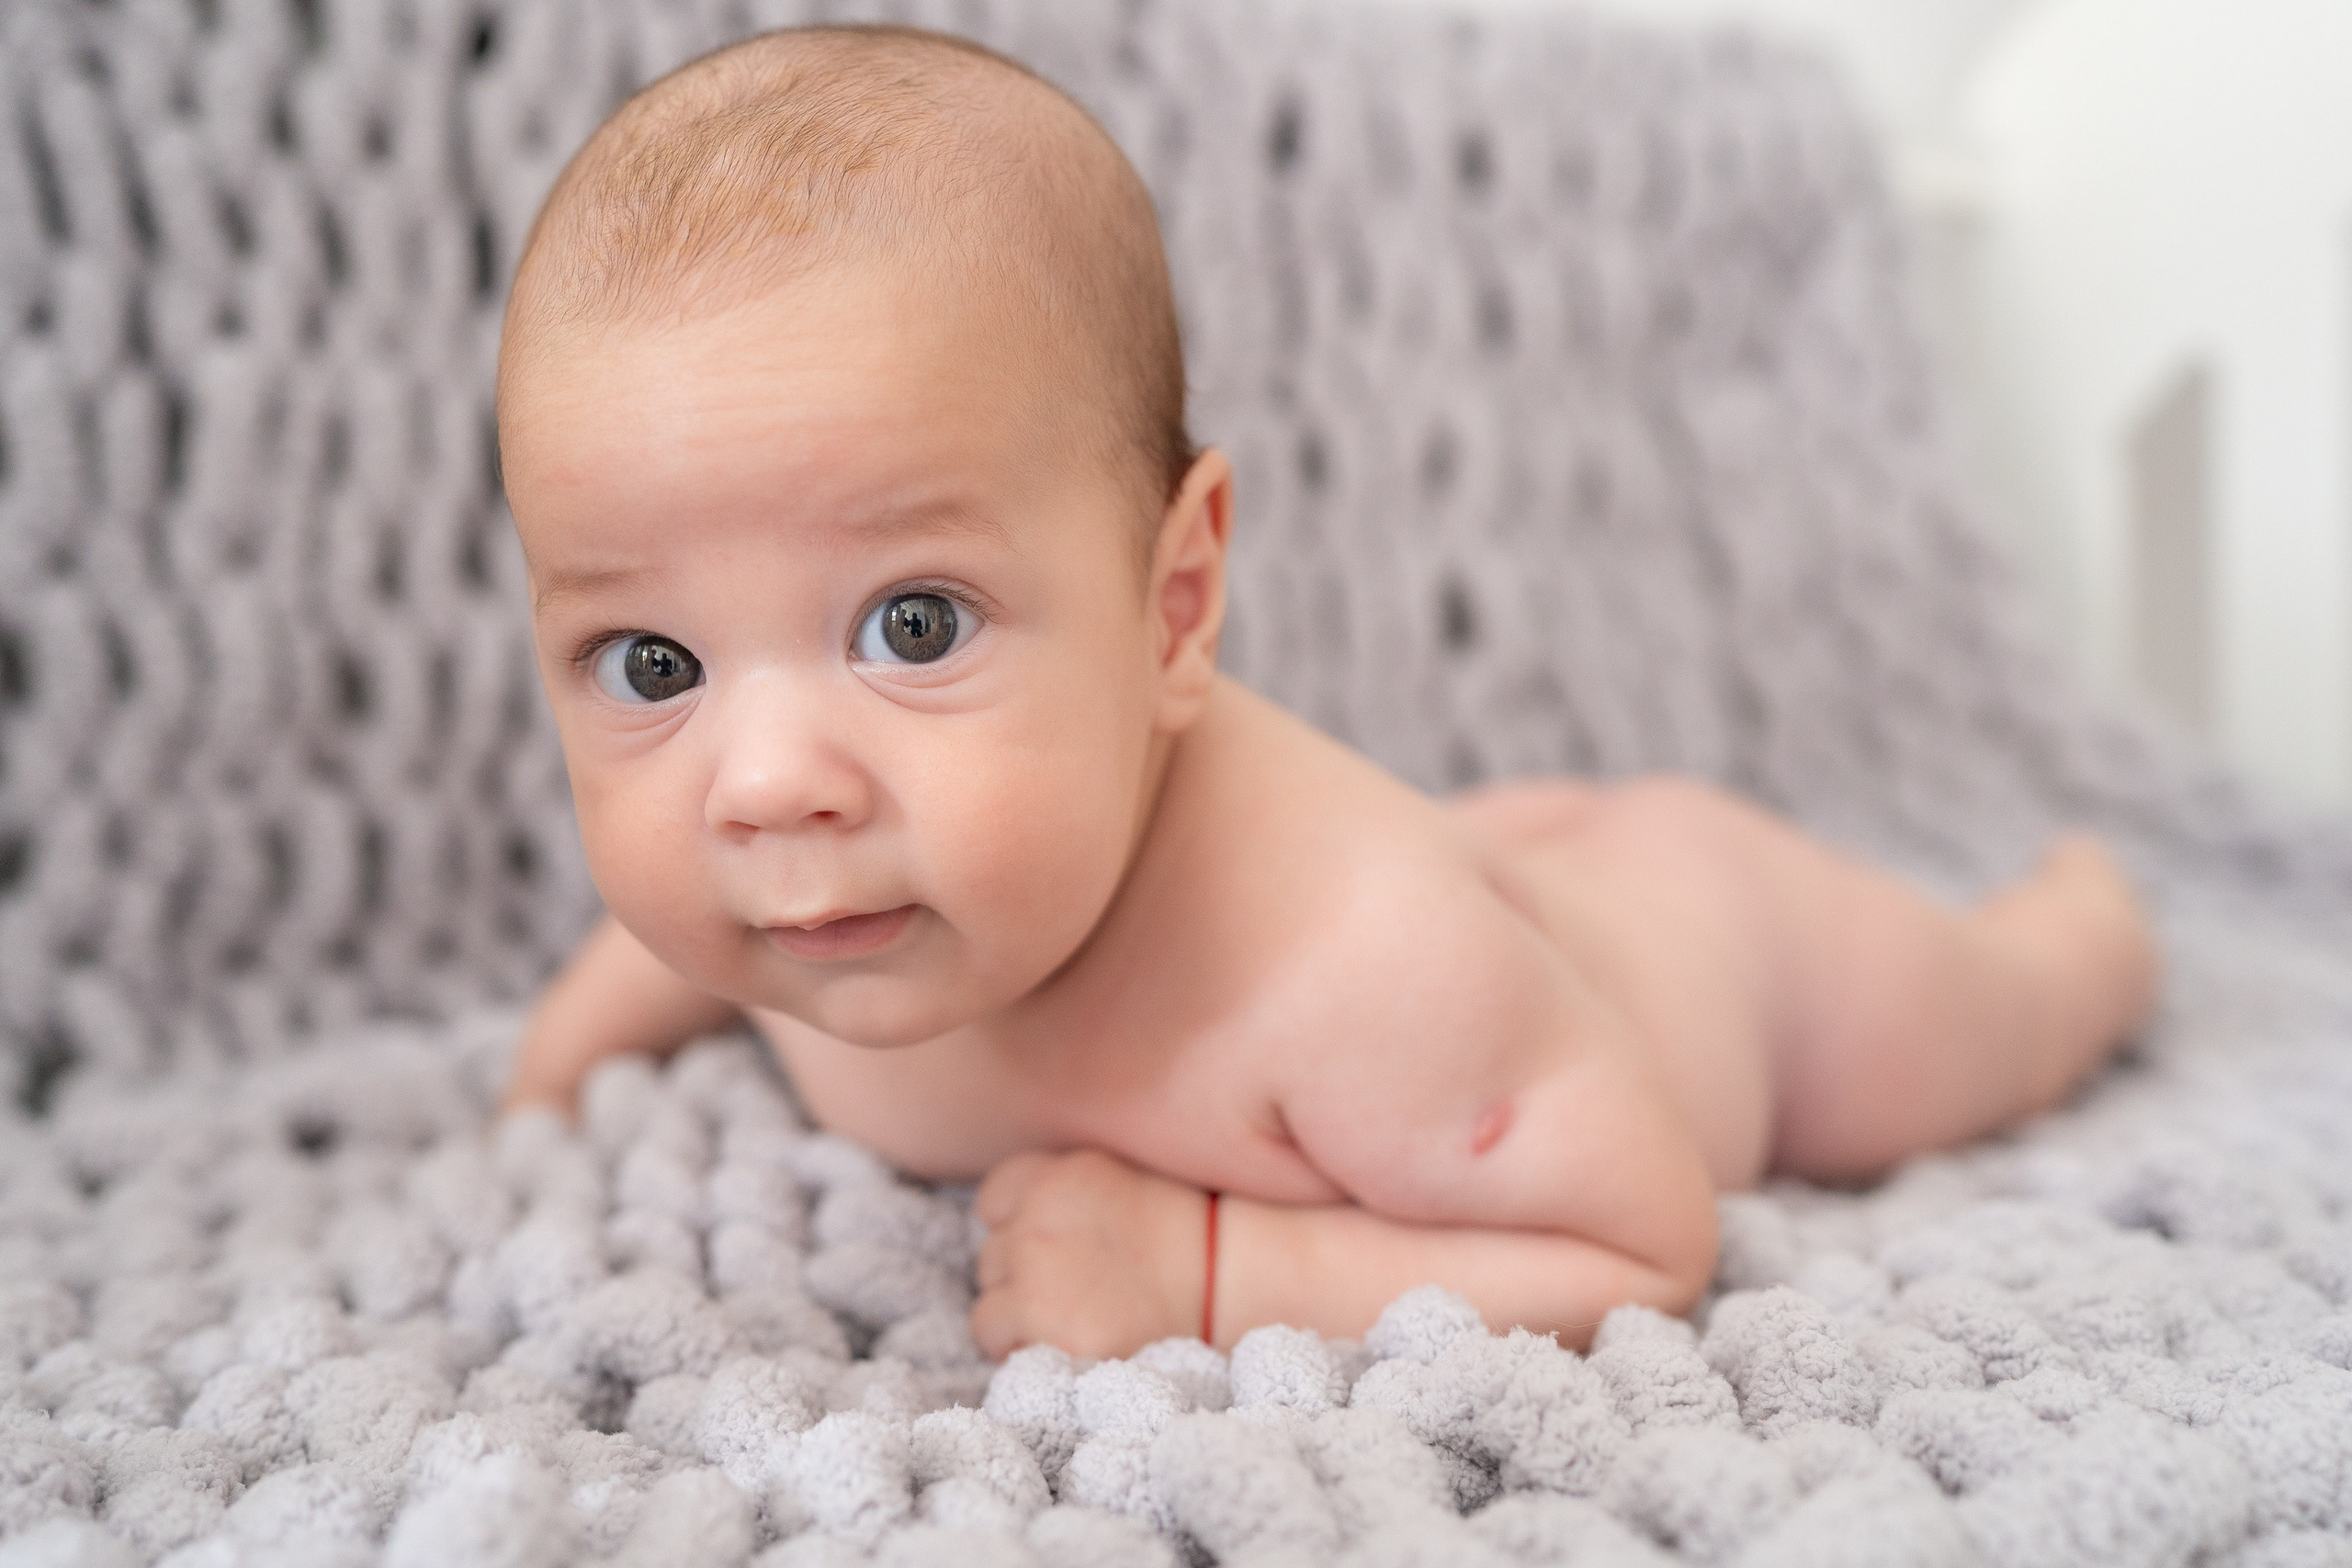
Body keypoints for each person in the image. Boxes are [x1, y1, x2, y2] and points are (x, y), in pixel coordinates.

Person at [493, 24, 2156, 1360]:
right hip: (1496, 897)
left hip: (1732, 965)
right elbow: (668, 942)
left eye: (913, 625)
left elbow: (1640, 1236)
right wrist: (565, 1057)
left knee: (1979, 1027)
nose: (766, 785)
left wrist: (1215, 1270)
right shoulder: (823, 879)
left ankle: (2088, 938)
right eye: (655, 667)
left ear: (1176, 604)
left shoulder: (1351, 967)